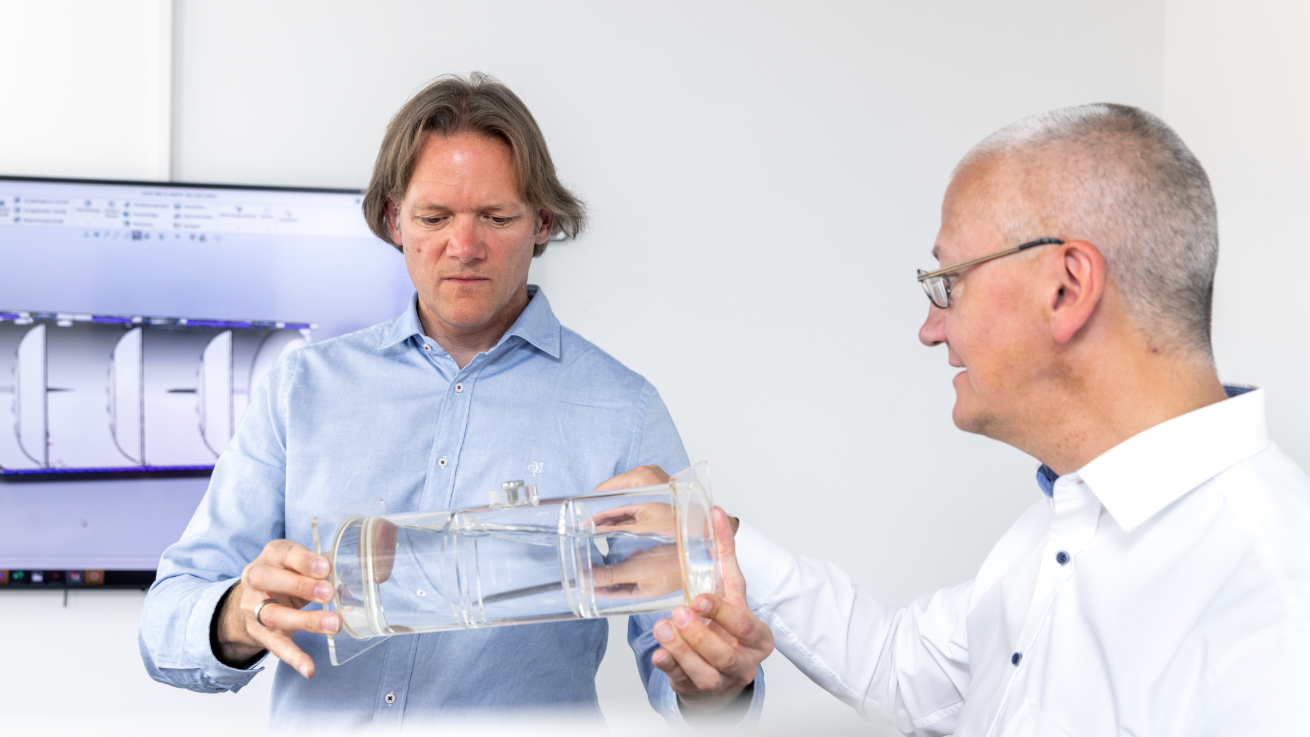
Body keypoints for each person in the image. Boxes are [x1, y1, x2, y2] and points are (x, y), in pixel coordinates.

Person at [612, 104, 1310, 735]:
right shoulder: (1057, 531)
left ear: (1066, 287)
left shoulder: (1273, 604)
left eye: (950, 282)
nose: (930, 327)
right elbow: (894, 666)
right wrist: (708, 537)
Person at [137, 73, 762, 731]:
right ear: (393, 220)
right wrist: (237, 612)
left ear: (543, 221)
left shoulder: (622, 410)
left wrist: (717, 684)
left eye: (496, 217)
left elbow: (695, 662)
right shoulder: (301, 389)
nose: (464, 247)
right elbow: (165, 620)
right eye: (434, 217)